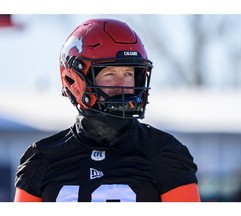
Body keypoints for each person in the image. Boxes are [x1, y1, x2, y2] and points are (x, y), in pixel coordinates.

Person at [14, 18, 201, 202]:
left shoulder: (164, 154)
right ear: (75, 81)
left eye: (128, 74)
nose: (122, 85)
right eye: (109, 74)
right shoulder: (42, 159)